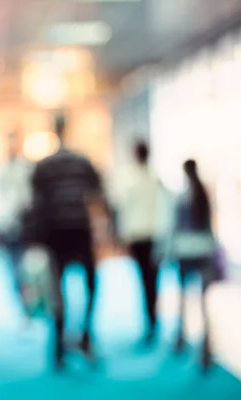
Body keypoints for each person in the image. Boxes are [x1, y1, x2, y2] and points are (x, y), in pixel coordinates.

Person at [31, 113, 109, 369]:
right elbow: (98, 197)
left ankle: (59, 346)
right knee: (90, 285)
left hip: (56, 234)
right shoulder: (82, 162)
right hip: (78, 230)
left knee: (58, 289)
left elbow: (35, 204)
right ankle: (83, 335)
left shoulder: (44, 166)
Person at [168, 159, 216, 371]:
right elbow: (209, 226)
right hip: (203, 250)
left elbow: (173, 226)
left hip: (185, 250)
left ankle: (181, 334)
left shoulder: (181, 196)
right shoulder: (203, 194)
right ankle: (205, 340)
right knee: (204, 300)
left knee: (183, 294)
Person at [116, 141, 164, 345]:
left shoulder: (136, 180)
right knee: (151, 279)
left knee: (147, 280)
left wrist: (123, 235)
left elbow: (125, 210)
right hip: (150, 235)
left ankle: (151, 321)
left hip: (143, 235)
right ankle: (152, 320)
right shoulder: (153, 179)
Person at [0, 131, 34, 312]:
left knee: (25, 266)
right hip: (8, 226)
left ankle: (29, 301)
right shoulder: (1, 170)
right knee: (14, 266)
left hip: (25, 224)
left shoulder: (26, 168)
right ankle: (21, 301)